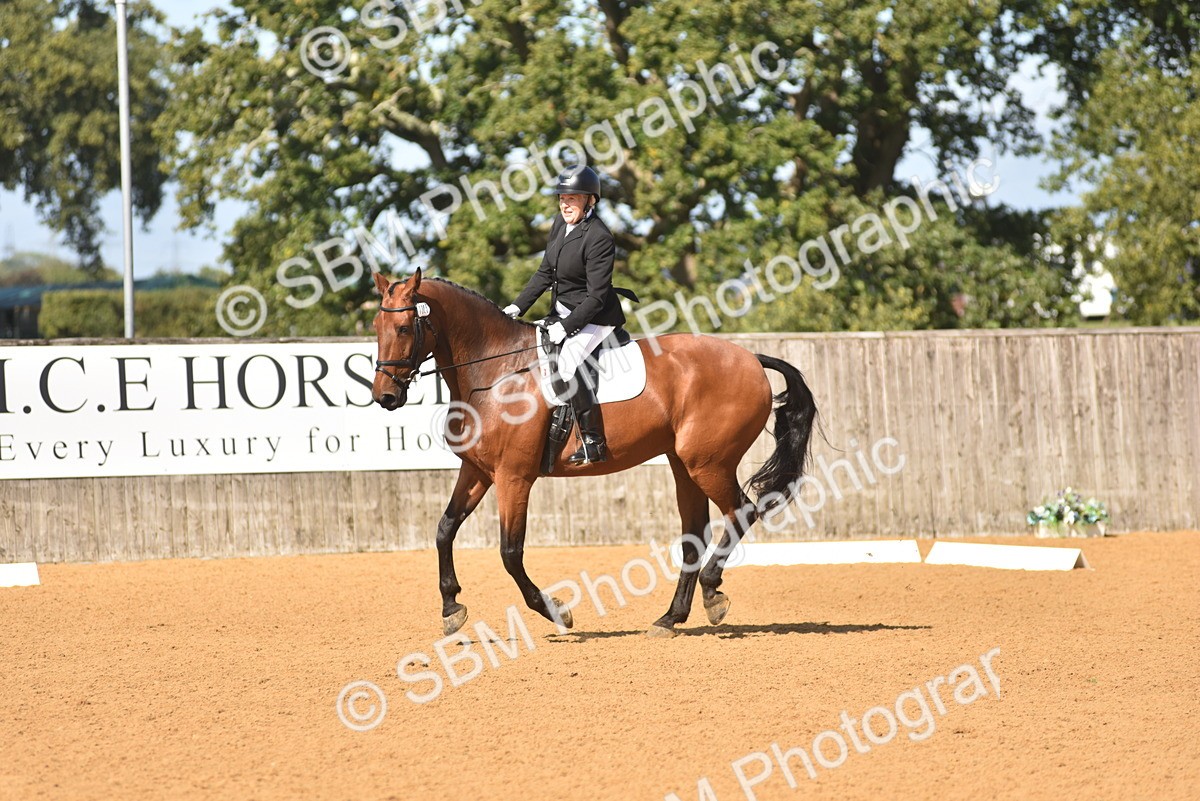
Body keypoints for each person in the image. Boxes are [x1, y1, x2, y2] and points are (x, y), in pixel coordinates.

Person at [502, 165, 624, 465]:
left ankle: (594, 441)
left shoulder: (599, 237)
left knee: (567, 364)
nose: (565, 205)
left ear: (590, 200)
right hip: (562, 313)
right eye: (562, 198)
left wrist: (566, 327)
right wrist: (517, 307)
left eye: (573, 198)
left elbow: (596, 297)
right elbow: (545, 272)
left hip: (595, 317)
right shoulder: (560, 224)